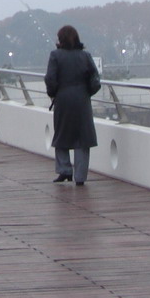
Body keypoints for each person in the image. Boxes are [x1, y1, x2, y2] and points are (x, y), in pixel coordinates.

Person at [44, 24, 101, 185]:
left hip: (63, 99)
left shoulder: (55, 55)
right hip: (82, 100)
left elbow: (50, 78)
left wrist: (53, 93)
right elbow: (95, 80)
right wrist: (87, 92)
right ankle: (80, 177)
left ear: (60, 39)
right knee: (82, 138)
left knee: (61, 134)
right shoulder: (85, 56)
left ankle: (64, 170)